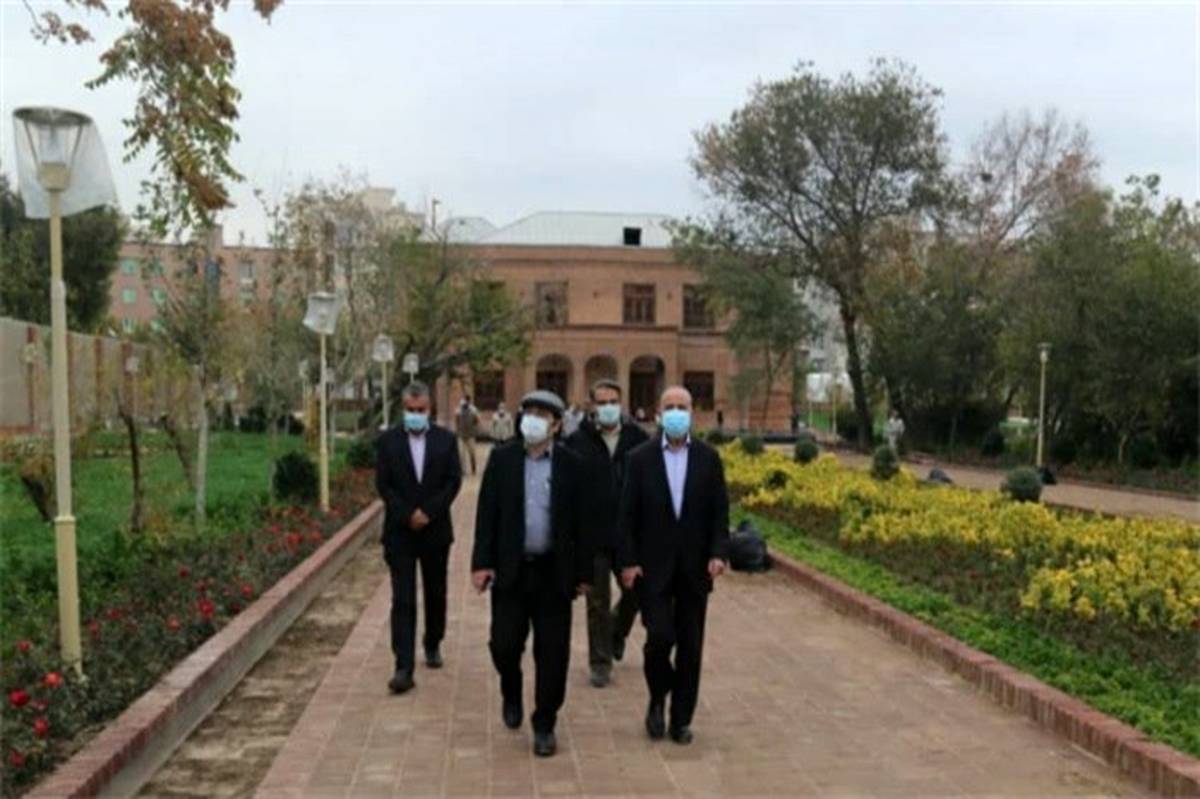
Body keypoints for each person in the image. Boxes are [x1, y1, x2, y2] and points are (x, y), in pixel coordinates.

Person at [471, 390, 592, 758]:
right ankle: (511, 688)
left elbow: (584, 524)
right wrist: (481, 563)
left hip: (554, 573)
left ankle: (544, 723)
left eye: (542, 414)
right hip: (511, 571)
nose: (533, 420)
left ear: (556, 425)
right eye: (529, 412)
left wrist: (584, 572)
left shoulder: (572, 465)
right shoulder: (502, 459)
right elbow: (486, 514)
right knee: (504, 645)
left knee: (552, 653)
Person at [618, 385, 730, 745]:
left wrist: (718, 552)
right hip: (652, 568)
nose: (676, 413)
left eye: (683, 407)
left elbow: (719, 512)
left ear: (692, 413)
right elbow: (627, 516)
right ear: (658, 414)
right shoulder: (639, 459)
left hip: (695, 569)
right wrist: (628, 561)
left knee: (691, 646)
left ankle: (681, 719)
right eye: (670, 407)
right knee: (660, 637)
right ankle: (657, 695)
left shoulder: (709, 459)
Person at [375, 381, 463, 695]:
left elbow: (453, 481)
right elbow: (384, 485)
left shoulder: (445, 441)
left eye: (420, 410)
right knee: (403, 599)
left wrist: (429, 512)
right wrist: (407, 514)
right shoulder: (387, 442)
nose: (415, 414)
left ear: (430, 408)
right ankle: (403, 666)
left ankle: (433, 641)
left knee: (435, 591)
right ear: (403, 409)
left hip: (435, 529)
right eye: (410, 410)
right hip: (400, 532)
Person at [565, 379, 649, 688]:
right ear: (591, 406)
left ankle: (616, 631)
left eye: (613, 401)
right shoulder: (577, 442)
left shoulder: (638, 439)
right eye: (602, 402)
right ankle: (600, 662)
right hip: (593, 535)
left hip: (630, 534)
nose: (608, 407)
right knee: (597, 600)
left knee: (638, 590)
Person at [456, 395, 480, 475]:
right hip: (461, 435)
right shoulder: (458, 410)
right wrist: (458, 430)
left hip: (470, 435)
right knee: (461, 454)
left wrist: (475, 429)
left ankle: (473, 468)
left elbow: (477, 420)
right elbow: (457, 420)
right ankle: (463, 470)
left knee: (472, 453)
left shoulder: (473, 410)